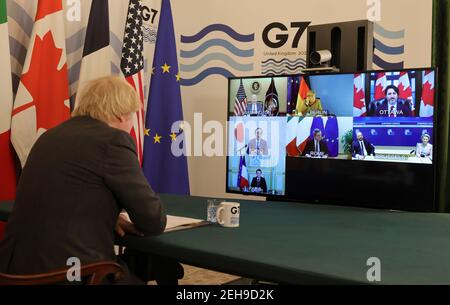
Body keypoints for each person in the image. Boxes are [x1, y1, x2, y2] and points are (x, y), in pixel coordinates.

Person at [0, 76, 172, 285]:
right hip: (73, 275)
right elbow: (153, 221)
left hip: (14, 272)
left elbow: (63, 195)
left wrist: (106, 215)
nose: (131, 126)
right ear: (119, 115)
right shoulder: (113, 141)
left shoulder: (49, 137)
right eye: (131, 117)